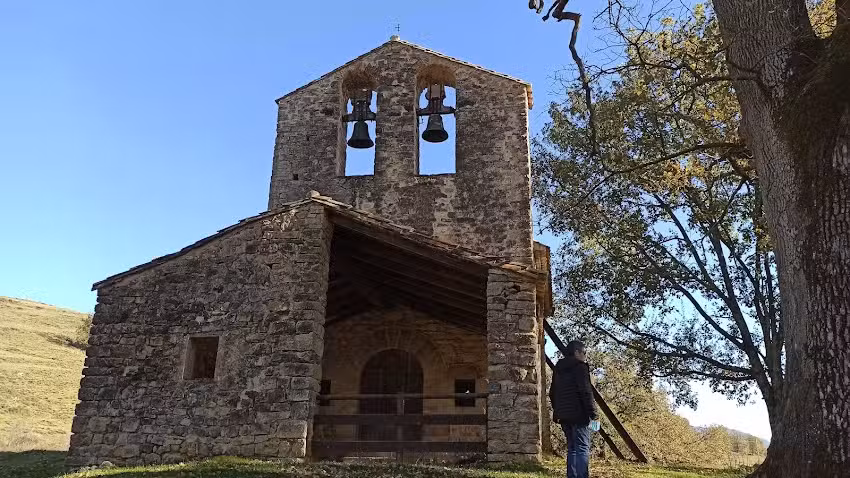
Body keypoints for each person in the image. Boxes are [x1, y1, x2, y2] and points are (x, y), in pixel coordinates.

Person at [550, 340, 597, 478]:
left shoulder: (558, 369)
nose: (585, 356)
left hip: (564, 416)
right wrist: (593, 413)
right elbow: (586, 391)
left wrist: (558, 410)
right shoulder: (580, 367)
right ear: (577, 352)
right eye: (584, 352)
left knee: (572, 449)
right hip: (579, 415)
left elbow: (552, 392)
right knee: (582, 448)